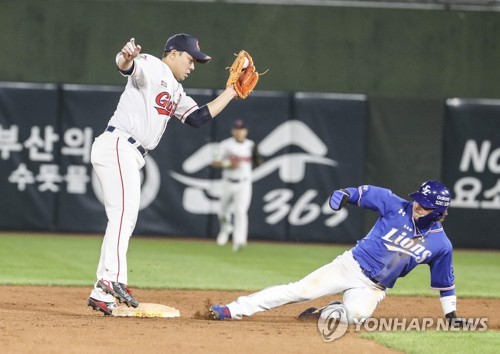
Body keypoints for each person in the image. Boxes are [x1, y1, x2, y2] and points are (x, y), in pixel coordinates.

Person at [87, 34, 240, 316]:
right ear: (172, 53)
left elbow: (197, 118)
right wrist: (127, 56)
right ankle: (112, 278)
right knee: (124, 214)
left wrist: (231, 92)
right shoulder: (152, 65)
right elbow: (127, 66)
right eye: (190, 58)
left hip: (129, 152)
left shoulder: (176, 90)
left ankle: (101, 294)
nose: (193, 65)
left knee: (123, 214)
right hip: (119, 144)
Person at [209, 180, 469, 326]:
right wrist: (345, 194)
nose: (417, 206)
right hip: (349, 265)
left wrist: (452, 317)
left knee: (355, 317)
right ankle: (233, 309)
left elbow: (446, 285)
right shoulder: (395, 205)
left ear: (437, 212)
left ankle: (327, 310)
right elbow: (362, 193)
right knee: (298, 291)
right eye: (417, 200)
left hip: (374, 288)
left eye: (424, 206)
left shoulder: (440, 245)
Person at [212, 119, 262, 252]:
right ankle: (225, 228)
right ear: (233, 131)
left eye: (242, 130)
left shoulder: (251, 145)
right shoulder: (225, 145)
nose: (239, 132)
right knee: (222, 210)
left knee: (240, 212)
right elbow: (214, 162)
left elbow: (258, 162)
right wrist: (228, 164)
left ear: (245, 131)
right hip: (228, 182)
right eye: (237, 130)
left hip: (244, 183)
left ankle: (239, 241)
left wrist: (258, 159)